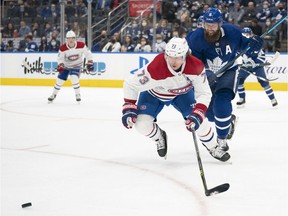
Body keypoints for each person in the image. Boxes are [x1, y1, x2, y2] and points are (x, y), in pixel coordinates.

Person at [121, 37, 230, 162]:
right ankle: (159, 137)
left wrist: (198, 112)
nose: (173, 61)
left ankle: (213, 147)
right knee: (141, 125)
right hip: (154, 94)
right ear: (166, 55)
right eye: (170, 56)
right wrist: (129, 105)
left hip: (182, 94)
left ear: (185, 56)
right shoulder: (155, 67)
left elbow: (204, 93)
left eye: (178, 57)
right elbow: (130, 84)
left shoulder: (195, 66)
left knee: (201, 123)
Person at [186, 8, 264, 152]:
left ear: (220, 24)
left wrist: (254, 47)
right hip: (206, 75)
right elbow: (193, 62)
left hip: (229, 71)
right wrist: (205, 72)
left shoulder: (232, 32)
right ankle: (228, 120)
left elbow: (248, 49)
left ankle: (222, 140)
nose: (209, 29)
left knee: (222, 102)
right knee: (209, 113)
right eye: (207, 25)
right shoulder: (195, 38)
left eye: (213, 25)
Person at [48, 30, 94, 103]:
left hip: (77, 66)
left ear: (75, 38)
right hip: (66, 66)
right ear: (66, 39)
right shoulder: (62, 48)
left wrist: (90, 62)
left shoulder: (81, 45)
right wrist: (61, 65)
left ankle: (77, 94)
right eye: (69, 38)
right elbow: (60, 59)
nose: (71, 40)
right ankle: (53, 94)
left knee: (74, 78)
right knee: (59, 80)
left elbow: (88, 54)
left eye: (72, 38)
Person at [236, 27, 278, 107]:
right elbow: (236, 54)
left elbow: (262, 56)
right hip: (246, 66)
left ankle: (273, 99)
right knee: (239, 81)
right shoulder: (240, 44)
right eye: (244, 35)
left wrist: (256, 62)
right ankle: (242, 99)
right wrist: (241, 60)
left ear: (251, 34)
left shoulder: (255, 43)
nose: (246, 36)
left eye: (248, 34)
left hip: (257, 66)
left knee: (264, 82)